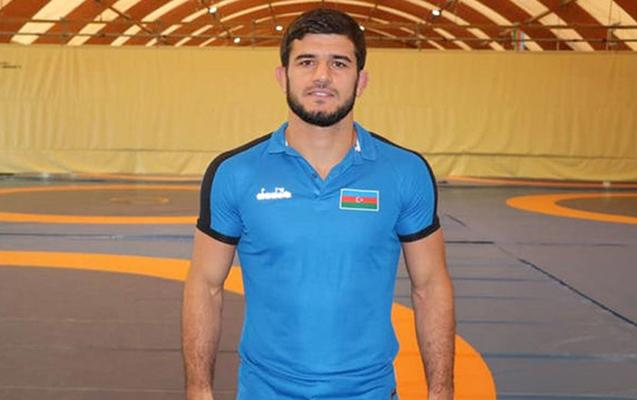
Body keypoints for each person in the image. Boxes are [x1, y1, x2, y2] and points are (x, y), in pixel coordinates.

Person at [182, 7, 455, 400]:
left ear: (361, 81)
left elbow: (430, 286)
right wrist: (199, 391)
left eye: (339, 63)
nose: (322, 76)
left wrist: (441, 392)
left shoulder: (405, 172)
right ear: (283, 76)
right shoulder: (235, 173)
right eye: (306, 61)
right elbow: (205, 285)